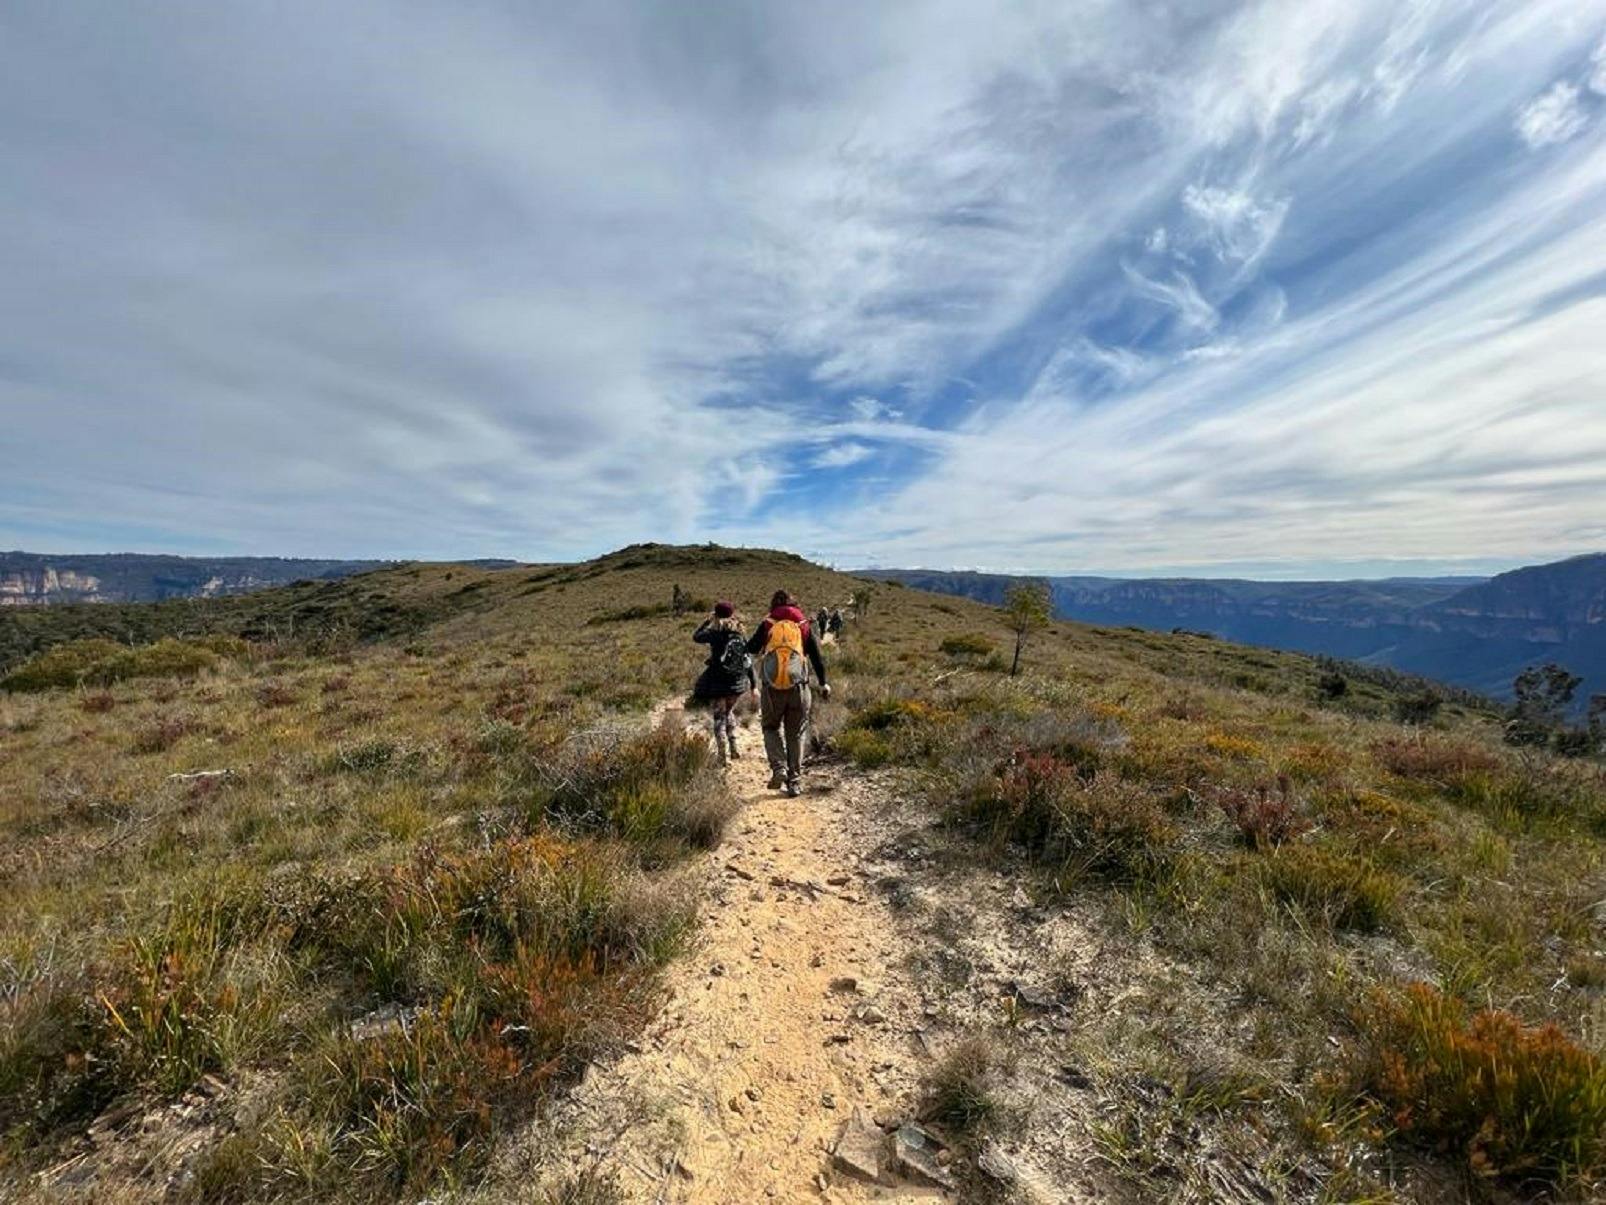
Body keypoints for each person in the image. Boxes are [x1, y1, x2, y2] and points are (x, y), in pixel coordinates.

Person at [747, 589, 830, 796]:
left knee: (770, 727)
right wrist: (823, 683)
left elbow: (751, 647)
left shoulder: (768, 623)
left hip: (772, 688)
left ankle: (779, 768)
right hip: (798, 687)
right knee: (796, 732)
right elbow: (816, 658)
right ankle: (794, 781)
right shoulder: (803, 624)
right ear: (794, 603)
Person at [692, 601, 756, 763]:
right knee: (729, 712)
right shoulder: (740, 635)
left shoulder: (714, 634)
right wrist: (753, 684)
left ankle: (722, 755)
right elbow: (748, 661)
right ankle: (734, 747)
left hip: (718, 683)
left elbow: (696, 637)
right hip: (737, 683)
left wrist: (707, 622)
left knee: (719, 717)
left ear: (716, 616)